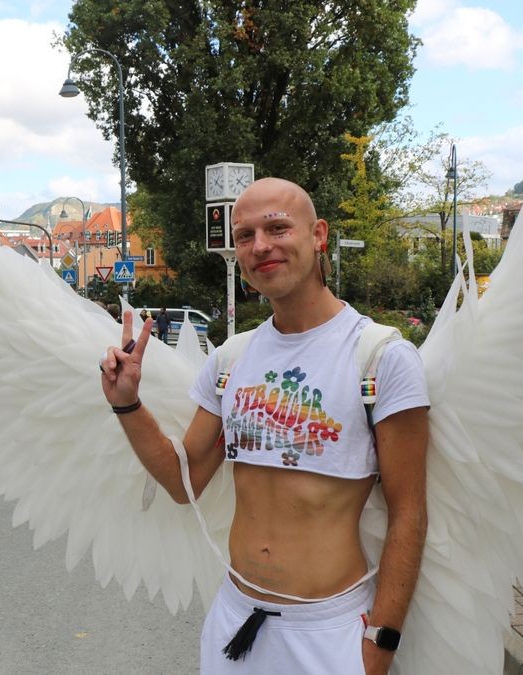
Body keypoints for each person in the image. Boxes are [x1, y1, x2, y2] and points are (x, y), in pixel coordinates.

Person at [99, 178, 429, 674]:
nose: (260, 246)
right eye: (245, 235)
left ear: (318, 235)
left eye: (277, 227)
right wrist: (128, 405)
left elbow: (410, 513)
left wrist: (378, 648)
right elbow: (181, 482)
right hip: (235, 621)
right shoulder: (232, 359)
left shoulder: (381, 357)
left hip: (329, 631)